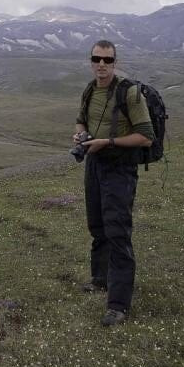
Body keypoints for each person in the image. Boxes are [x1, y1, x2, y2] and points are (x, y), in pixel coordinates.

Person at [73, 40, 155, 326]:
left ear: (115, 62)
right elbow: (81, 121)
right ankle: (100, 279)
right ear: (91, 61)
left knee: (118, 232)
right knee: (97, 226)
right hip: (95, 164)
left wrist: (108, 142)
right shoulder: (90, 89)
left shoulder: (128, 92)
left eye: (107, 60)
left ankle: (118, 304)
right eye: (97, 59)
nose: (102, 65)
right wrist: (81, 136)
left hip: (119, 168)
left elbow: (146, 135)